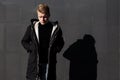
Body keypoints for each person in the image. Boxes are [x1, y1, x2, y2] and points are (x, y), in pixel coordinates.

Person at [21, 3, 64, 80]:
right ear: (37, 15)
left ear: (49, 15)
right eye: (40, 17)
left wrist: (55, 50)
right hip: (35, 63)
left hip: (49, 63)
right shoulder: (32, 28)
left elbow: (61, 42)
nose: (42, 19)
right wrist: (32, 48)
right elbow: (24, 41)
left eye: (45, 17)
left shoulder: (55, 29)